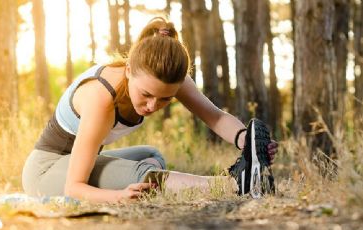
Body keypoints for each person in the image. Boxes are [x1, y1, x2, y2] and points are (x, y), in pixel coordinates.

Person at [22, 17, 278, 203]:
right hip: (46, 172)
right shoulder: (101, 97)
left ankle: (246, 177)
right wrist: (117, 196)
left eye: (165, 99)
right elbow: (74, 187)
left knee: (152, 155)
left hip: (79, 162)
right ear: (129, 71)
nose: (153, 106)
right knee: (144, 175)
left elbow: (216, 117)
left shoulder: (167, 77)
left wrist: (247, 141)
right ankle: (235, 185)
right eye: (146, 95)